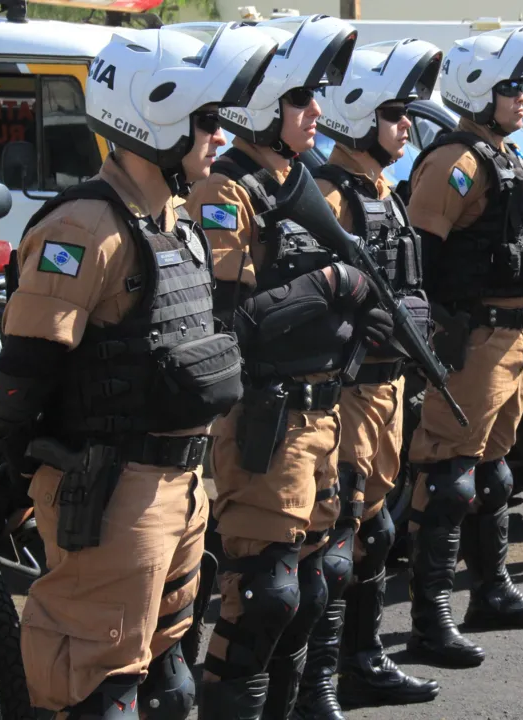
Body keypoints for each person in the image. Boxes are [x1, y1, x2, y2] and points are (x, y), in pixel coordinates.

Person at [0, 25, 277, 719]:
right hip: (114, 494)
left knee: (168, 686)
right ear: (154, 118)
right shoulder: (84, 226)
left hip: (181, 486)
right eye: (206, 120)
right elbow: (28, 364)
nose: (219, 136)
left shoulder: (173, 219)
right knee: (94, 689)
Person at [182, 17, 389, 720]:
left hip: (324, 413)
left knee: (317, 583)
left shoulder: (301, 182)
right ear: (263, 105)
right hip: (266, 419)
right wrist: (326, 288)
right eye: (300, 99)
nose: (316, 111)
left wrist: (363, 318)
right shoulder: (225, 191)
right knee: (264, 595)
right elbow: (227, 319)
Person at [404, 26, 523, 668]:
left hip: (512, 336)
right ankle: (430, 618)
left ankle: (491, 591)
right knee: (449, 478)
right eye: (512, 88)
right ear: (478, 91)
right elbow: (419, 259)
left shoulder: (505, 156)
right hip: (471, 339)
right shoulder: (456, 161)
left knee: (494, 473)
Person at [294, 39, 445, 717]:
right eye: (392, 114)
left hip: (389, 385)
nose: (405, 125)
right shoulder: (329, 196)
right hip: (349, 390)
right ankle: (319, 682)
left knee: (378, 530)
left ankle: (365, 658)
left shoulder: (384, 192)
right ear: (358, 116)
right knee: (340, 536)